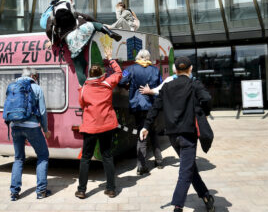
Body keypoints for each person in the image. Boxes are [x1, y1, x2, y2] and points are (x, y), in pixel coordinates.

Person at [140, 56, 215, 212]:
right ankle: (178, 206)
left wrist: (146, 126)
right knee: (185, 171)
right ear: (190, 69)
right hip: (188, 135)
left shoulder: (167, 86)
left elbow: (155, 107)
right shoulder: (194, 84)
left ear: (175, 70)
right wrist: (204, 112)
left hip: (173, 136)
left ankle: (206, 196)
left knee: (189, 168)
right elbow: (207, 98)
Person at [46, 0, 122, 86]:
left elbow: (49, 30)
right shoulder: (70, 8)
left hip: (70, 38)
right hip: (83, 29)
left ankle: (83, 88)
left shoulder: (52, 14)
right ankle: (108, 32)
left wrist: (53, 40)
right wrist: (100, 23)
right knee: (94, 25)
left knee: (79, 66)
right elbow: (87, 17)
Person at [75, 46, 122, 199]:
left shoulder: (83, 89)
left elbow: (82, 105)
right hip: (107, 125)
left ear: (89, 75)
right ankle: (111, 189)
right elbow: (119, 73)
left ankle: (82, 190)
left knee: (86, 158)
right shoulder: (107, 84)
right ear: (101, 74)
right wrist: (110, 58)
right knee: (107, 156)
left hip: (90, 126)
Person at [8, 68, 51, 201]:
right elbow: (42, 111)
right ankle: (41, 191)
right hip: (32, 126)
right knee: (43, 156)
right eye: (37, 75)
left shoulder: (13, 87)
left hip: (15, 125)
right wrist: (45, 129)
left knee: (19, 158)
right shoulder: (36, 88)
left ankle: (14, 193)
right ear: (33, 75)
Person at [118, 49, 163, 175]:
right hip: (152, 106)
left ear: (138, 57)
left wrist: (128, 86)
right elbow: (161, 86)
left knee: (142, 134)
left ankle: (141, 166)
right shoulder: (155, 70)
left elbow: (121, 81)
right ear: (148, 57)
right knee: (153, 131)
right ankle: (159, 160)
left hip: (138, 106)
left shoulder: (131, 69)